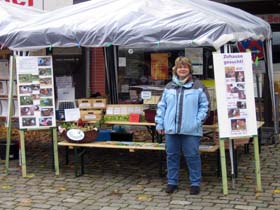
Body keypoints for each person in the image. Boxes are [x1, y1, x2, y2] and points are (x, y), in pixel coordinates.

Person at [155, 56, 209, 195]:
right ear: (175, 69)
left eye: (185, 66)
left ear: (189, 68)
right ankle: (172, 182)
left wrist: (197, 121)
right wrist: (160, 123)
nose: (182, 69)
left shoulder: (198, 86)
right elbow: (161, 106)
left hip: (191, 130)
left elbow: (205, 106)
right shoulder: (168, 87)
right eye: (180, 67)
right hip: (171, 129)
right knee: (172, 156)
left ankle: (195, 183)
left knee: (192, 156)